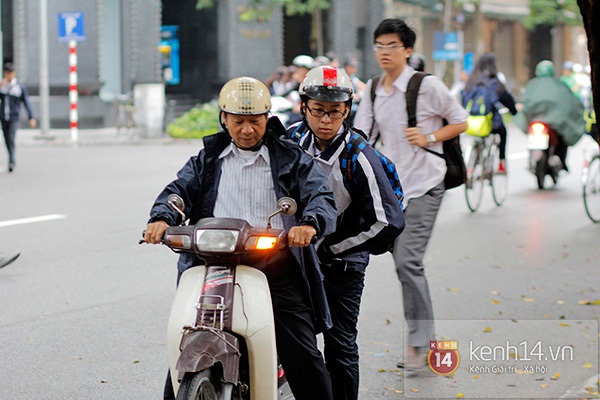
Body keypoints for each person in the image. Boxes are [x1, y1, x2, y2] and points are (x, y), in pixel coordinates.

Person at [145, 77, 336, 400]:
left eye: (255, 121)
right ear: (224, 119)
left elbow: (320, 195)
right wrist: (162, 217)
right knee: (184, 341)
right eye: (238, 121)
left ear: (267, 118)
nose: (247, 130)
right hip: (212, 264)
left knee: (303, 353)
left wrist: (309, 223)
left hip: (273, 265)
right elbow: (179, 192)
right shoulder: (207, 159)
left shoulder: (290, 158)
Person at [353, 18, 468, 370]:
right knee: (398, 263)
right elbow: (359, 137)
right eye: (379, 46)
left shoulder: (426, 86)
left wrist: (430, 137)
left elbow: (461, 120)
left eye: (391, 46)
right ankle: (424, 339)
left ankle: (420, 344)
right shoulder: (374, 89)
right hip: (392, 191)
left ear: (407, 50)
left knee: (407, 262)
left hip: (425, 185)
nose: (384, 52)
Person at [287, 65, 405, 400]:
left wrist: (334, 249)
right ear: (303, 106)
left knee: (339, 344)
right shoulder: (292, 141)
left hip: (343, 264)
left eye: (335, 112)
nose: (325, 120)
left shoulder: (359, 155)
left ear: (347, 110)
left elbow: (389, 221)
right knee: (296, 339)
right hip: (297, 257)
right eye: (317, 110)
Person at [515, 60, 585, 171]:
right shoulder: (559, 85)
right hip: (552, 123)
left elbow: (523, 101)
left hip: (541, 122)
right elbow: (571, 102)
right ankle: (561, 161)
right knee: (562, 138)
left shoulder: (532, 85)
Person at [462, 52, 518, 173]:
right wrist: (513, 111)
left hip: (470, 122)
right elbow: (506, 98)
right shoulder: (494, 81)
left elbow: (463, 100)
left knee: (477, 138)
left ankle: (471, 166)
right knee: (503, 132)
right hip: (489, 123)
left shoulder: (471, 80)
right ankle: (501, 162)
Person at [0, 63, 36, 173]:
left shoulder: (19, 87)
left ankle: (12, 160)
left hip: (14, 118)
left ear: (14, 73)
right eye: (7, 73)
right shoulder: (2, 86)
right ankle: (11, 157)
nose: (9, 75)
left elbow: (26, 102)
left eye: (10, 73)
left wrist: (31, 117)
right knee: (6, 139)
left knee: (11, 137)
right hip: (3, 117)